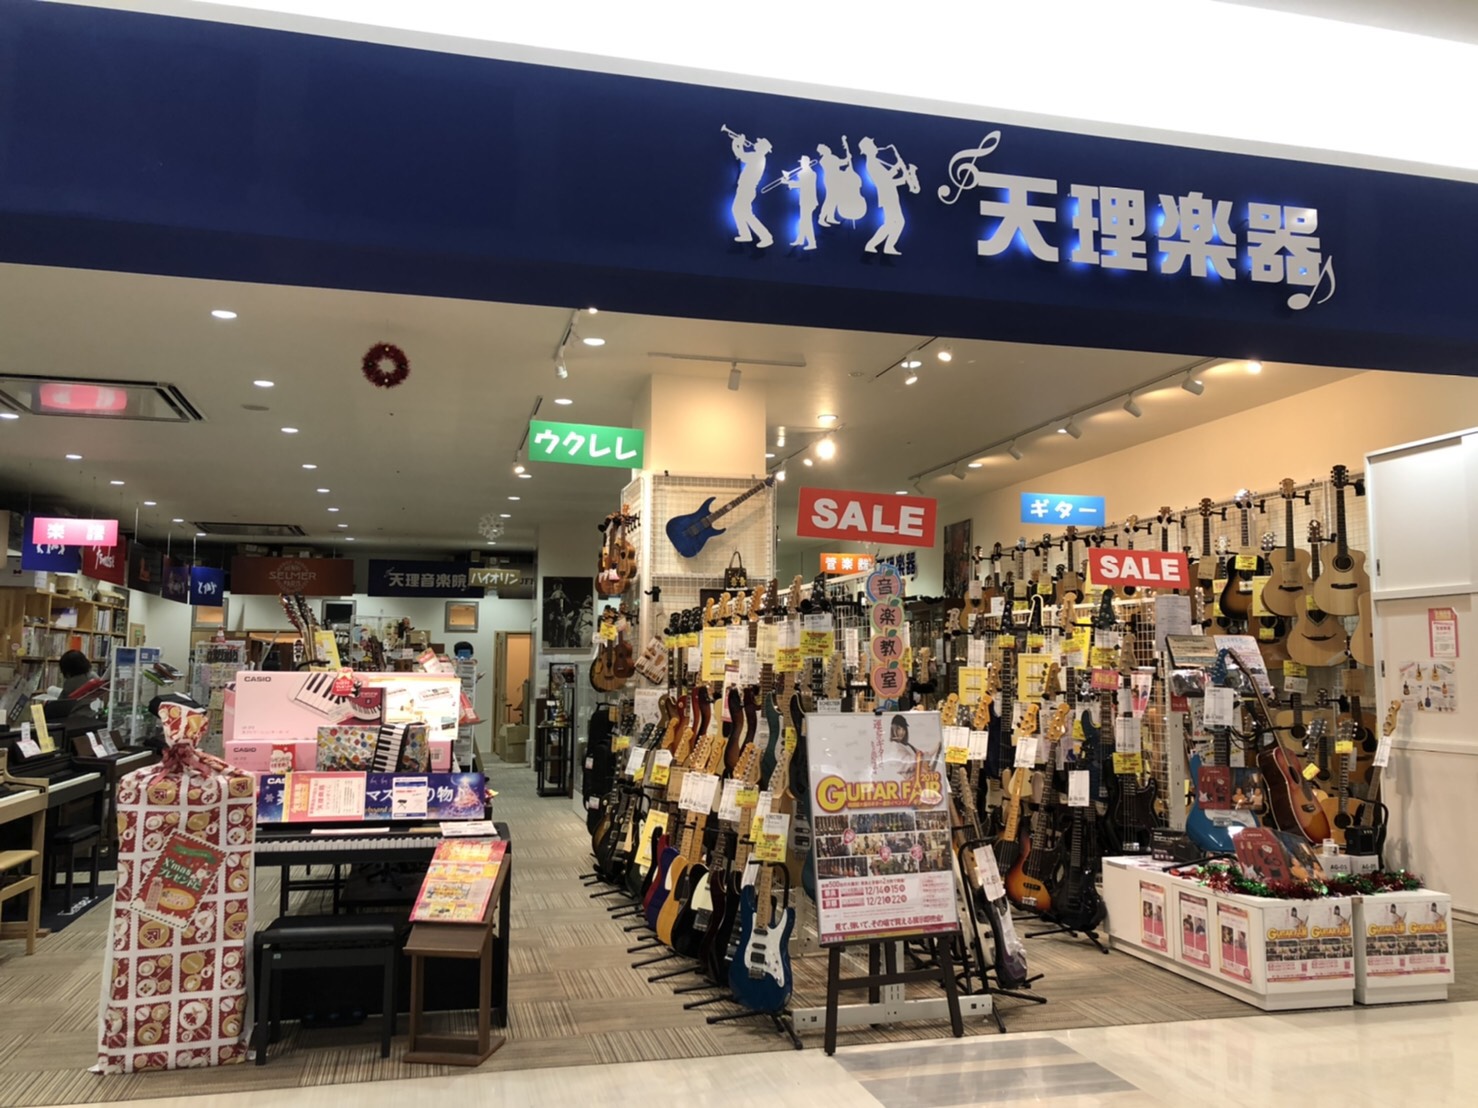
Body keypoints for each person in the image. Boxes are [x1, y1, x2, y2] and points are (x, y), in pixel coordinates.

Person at [859, 136, 909, 255]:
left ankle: (882, 246)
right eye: (872, 145)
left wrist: (896, 168)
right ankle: (878, 245)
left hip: (889, 195)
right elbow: (885, 182)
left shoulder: (874, 162)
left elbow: (886, 177)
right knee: (896, 222)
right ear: (868, 148)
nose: (875, 146)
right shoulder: (872, 163)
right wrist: (903, 179)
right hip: (888, 196)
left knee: (892, 223)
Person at [730, 134, 774, 248]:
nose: (756, 143)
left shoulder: (757, 157)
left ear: (761, 147)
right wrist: (739, 145)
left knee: (744, 213)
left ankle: (766, 237)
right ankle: (746, 234)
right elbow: (742, 156)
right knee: (740, 211)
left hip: (747, 189)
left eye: (758, 143)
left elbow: (740, 155)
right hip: (746, 188)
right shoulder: (758, 157)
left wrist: (736, 144)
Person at [785, 155, 818, 250]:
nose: (801, 164)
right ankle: (800, 239)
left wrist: (788, 182)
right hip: (805, 200)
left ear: (807, 163)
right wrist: (789, 182)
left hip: (809, 201)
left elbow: (802, 184)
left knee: (806, 222)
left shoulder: (810, 174)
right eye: (801, 163)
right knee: (803, 222)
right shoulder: (805, 173)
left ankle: (812, 243)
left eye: (802, 163)